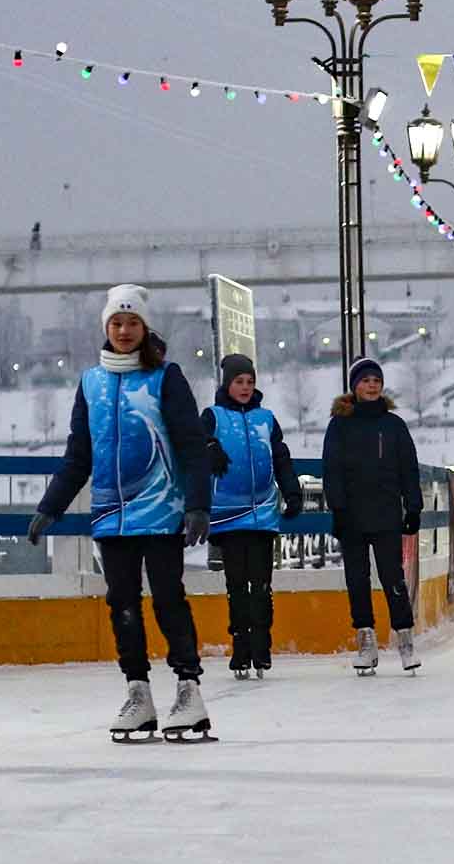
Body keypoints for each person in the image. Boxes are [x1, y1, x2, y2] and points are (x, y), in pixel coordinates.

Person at [32, 284, 213, 742]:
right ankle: (138, 693)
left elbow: (192, 445)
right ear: (106, 328)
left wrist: (196, 505)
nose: (125, 330)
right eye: (116, 322)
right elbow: (79, 455)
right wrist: (50, 506)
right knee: (122, 605)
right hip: (112, 515)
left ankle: (189, 689)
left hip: (160, 510)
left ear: (145, 327)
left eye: (133, 322)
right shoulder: (91, 383)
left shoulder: (165, 378)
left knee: (169, 598)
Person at [202, 353, 303, 679]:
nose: (245, 388)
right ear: (227, 384)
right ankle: (240, 646)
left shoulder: (266, 419)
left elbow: (281, 459)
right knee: (237, 584)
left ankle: (262, 645)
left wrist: (292, 492)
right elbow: (190, 444)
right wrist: (209, 448)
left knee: (261, 584)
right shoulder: (212, 416)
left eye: (250, 382)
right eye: (238, 382)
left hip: (262, 513)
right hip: (228, 516)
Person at [322, 357, 422, 676]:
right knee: (357, 579)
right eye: (365, 380)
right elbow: (331, 469)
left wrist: (414, 506)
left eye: (376, 380)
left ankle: (405, 638)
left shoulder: (394, 425)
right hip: (352, 514)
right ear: (355, 386)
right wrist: (337, 509)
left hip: (386, 513)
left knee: (393, 577)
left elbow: (408, 468)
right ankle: (365, 641)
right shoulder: (340, 424)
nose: (371, 385)